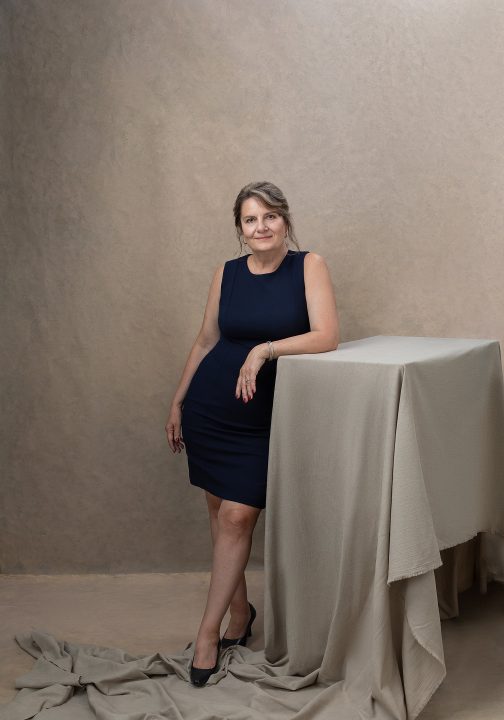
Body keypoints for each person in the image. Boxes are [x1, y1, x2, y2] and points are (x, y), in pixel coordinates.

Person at [165, 181, 339, 686]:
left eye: (269, 217)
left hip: (264, 415)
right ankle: (241, 615)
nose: (260, 227)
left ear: (285, 220)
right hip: (210, 409)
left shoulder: (308, 266)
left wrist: (264, 350)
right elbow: (205, 340)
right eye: (249, 220)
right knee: (221, 517)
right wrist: (178, 401)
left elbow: (327, 335)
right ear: (239, 230)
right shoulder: (227, 274)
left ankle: (206, 633)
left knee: (239, 516)